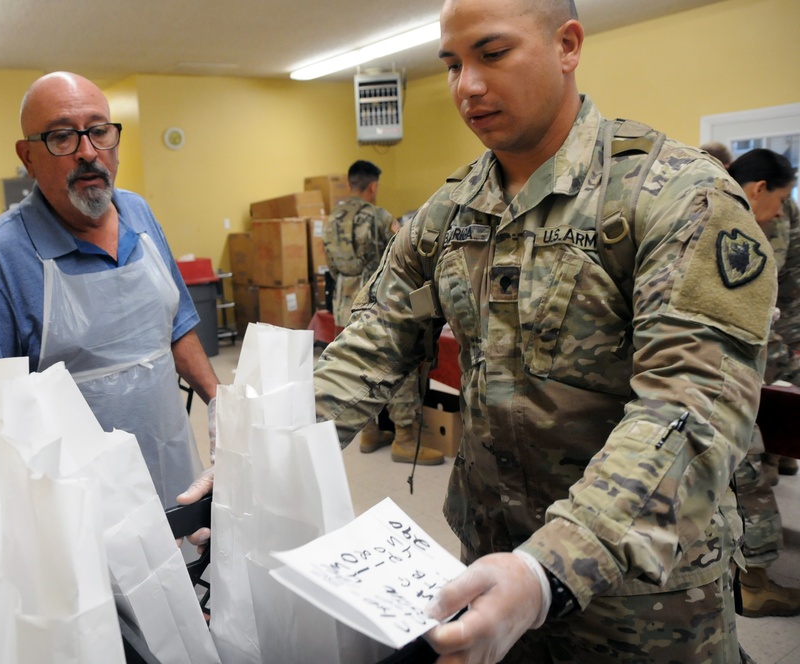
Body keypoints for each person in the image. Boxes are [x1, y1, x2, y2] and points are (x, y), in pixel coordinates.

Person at [312, 0, 777, 661]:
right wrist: (264, 447)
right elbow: (375, 337)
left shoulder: (674, 193)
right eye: (451, 64)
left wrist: (549, 568)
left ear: (567, 45)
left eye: (492, 54)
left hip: (641, 598)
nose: (466, 86)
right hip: (492, 564)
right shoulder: (452, 211)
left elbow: (692, 407)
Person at [0, 71, 219, 509]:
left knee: (182, 566)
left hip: (170, 462)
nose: (88, 152)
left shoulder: (140, 214)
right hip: (73, 497)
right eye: (62, 137)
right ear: (28, 157)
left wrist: (220, 400)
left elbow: (177, 324)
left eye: (99, 131)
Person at [322, 160, 442, 465]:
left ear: (350, 184)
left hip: (341, 300)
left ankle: (369, 431)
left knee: (355, 361)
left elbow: (331, 265)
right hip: (375, 299)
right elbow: (401, 258)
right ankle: (405, 437)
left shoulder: (331, 217)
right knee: (392, 362)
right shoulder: (378, 216)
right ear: (373, 186)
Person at [726, 148, 800, 618]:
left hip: (730, 359)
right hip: (715, 369)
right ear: (757, 190)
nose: (781, 213)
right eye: (780, 199)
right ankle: (753, 582)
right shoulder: (714, 213)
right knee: (745, 465)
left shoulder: (761, 213)